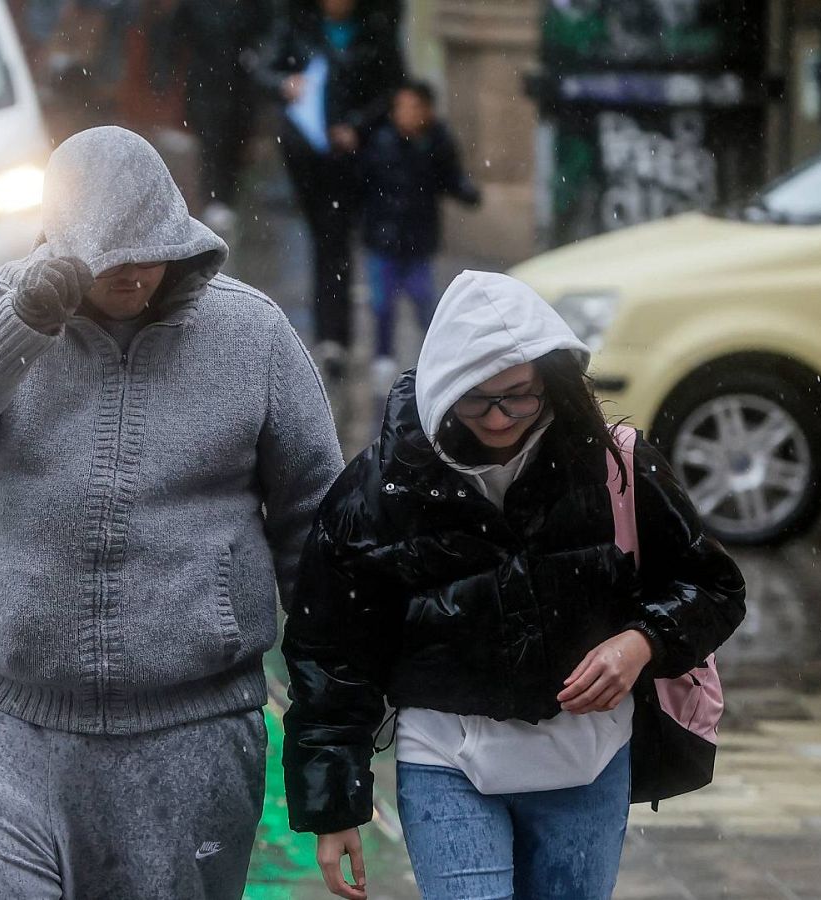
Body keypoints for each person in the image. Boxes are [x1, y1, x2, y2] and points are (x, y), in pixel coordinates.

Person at [0, 127, 343, 900]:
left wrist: (335, 720)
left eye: (150, 247)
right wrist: (22, 322)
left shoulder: (254, 336)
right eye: (110, 254)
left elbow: (321, 534)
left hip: (186, 734)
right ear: (61, 243)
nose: (133, 271)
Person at [281, 270, 746, 899]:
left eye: (520, 396)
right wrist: (334, 804)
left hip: (587, 762)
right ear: (445, 388)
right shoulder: (379, 493)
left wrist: (640, 642)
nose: (501, 417)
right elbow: (331, 652)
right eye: (478, 399)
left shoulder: (616, 467)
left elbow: (712, 585)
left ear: (550, 380)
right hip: (444, 759)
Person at [258, 0, 405, 379]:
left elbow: (391, 90)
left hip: (355, 156)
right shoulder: (297, 26)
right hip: (308, 154)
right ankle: (331, 336)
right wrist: (285, 85)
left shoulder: (375, 33)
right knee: (326, 238)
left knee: (343, 239)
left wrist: (357, 126)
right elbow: (266, 68)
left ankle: (344, 337)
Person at [358, 79, 480, 390]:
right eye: (401, 107)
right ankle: (383, 356)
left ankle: (435, 360)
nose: (407, 114)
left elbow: (450, 178)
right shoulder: (381, 141)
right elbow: (360, 182)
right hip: (383, 238)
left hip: (418, 239)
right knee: (383, 303)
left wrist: (466, 191)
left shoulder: (437, 142)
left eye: (413, 107)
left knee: (424, 302)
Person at [159, 0, 275, 243]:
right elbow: (174, 36)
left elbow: (266, 33)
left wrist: (257, 57)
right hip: (206, 82)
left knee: (234, 140)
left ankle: (225, 196)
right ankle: (214, 198)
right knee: (211, 140)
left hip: (240, 82)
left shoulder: (250, 8)